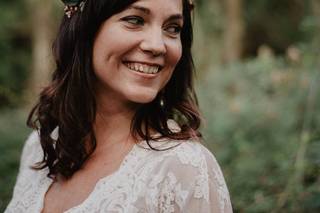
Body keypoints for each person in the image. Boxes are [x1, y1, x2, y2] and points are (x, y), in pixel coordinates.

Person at [5, 0, 232, 212]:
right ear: (85, 28)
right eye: (135, 20)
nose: (157, 46)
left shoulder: (185, 169)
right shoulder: (41, 147)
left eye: (172, 28)